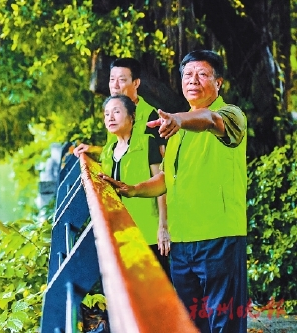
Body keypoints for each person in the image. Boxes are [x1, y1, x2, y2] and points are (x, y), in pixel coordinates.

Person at [99, 50, 248, 333]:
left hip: (219, 238)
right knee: (190, 323)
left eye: (202, 74)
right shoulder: (176, 129)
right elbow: (168, 179)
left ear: (219, 83)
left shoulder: (230, 115)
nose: (193, 80)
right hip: (182, 243)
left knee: (224, 323)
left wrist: (179, 120)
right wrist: (132, 189)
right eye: (188, 75)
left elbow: (210, 120)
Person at [73, 94, 171, 278]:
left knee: (157, 288)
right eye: (106, 114)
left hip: (149, 233)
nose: (110, 117)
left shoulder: (146, 143)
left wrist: (163, 226)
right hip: (122, 234)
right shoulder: (108, 153)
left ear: (132, 117)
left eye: (116, 112)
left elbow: (161, 185)